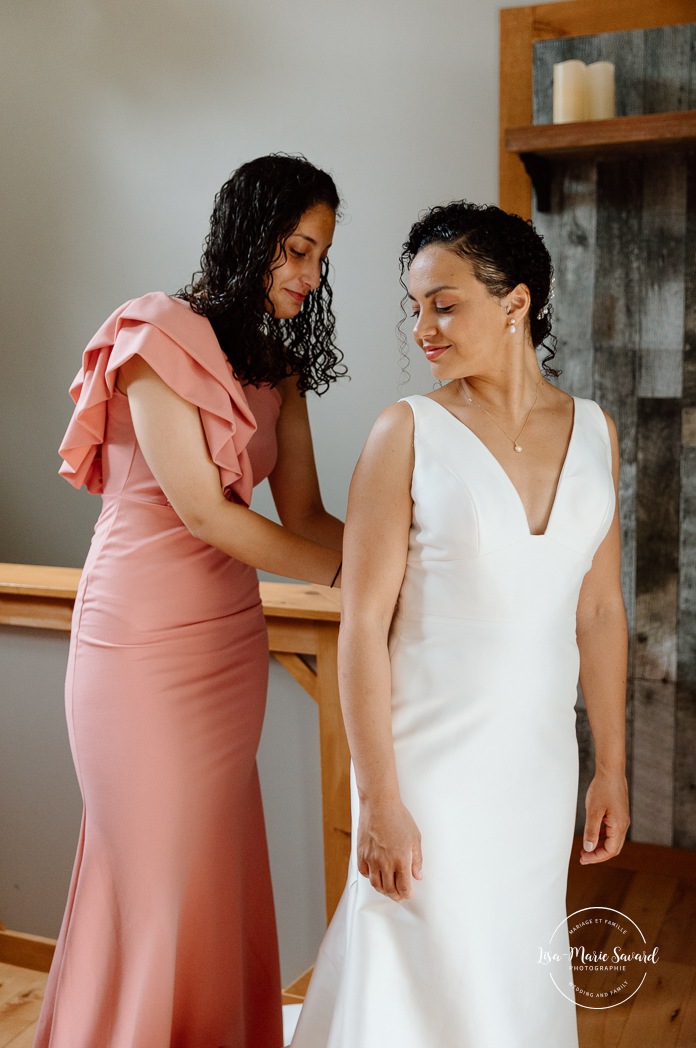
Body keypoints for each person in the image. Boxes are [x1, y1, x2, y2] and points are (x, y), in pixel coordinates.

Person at [291, 201, 629, 1048]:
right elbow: (362, 624)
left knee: (509, 969)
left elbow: (597, 610)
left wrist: (611, 768)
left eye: (443, 304)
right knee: (413, 962)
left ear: (514, 304)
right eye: (415, 308)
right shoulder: (405, 432)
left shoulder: (595, 432)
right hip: (426, 768)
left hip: (537, 768)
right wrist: (379, 800)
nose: (422, 329)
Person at [35, 154, 345, 1048]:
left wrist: (409, 559)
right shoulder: (154, 331)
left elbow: (309, 515)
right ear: (246, 237)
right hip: (135, 644)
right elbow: (207, 515)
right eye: (293, 249)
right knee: (152, 874)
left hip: (225, 648)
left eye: (319, 257)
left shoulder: (277, 367)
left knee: (211, 870)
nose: (306, 275)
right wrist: (351, 580)